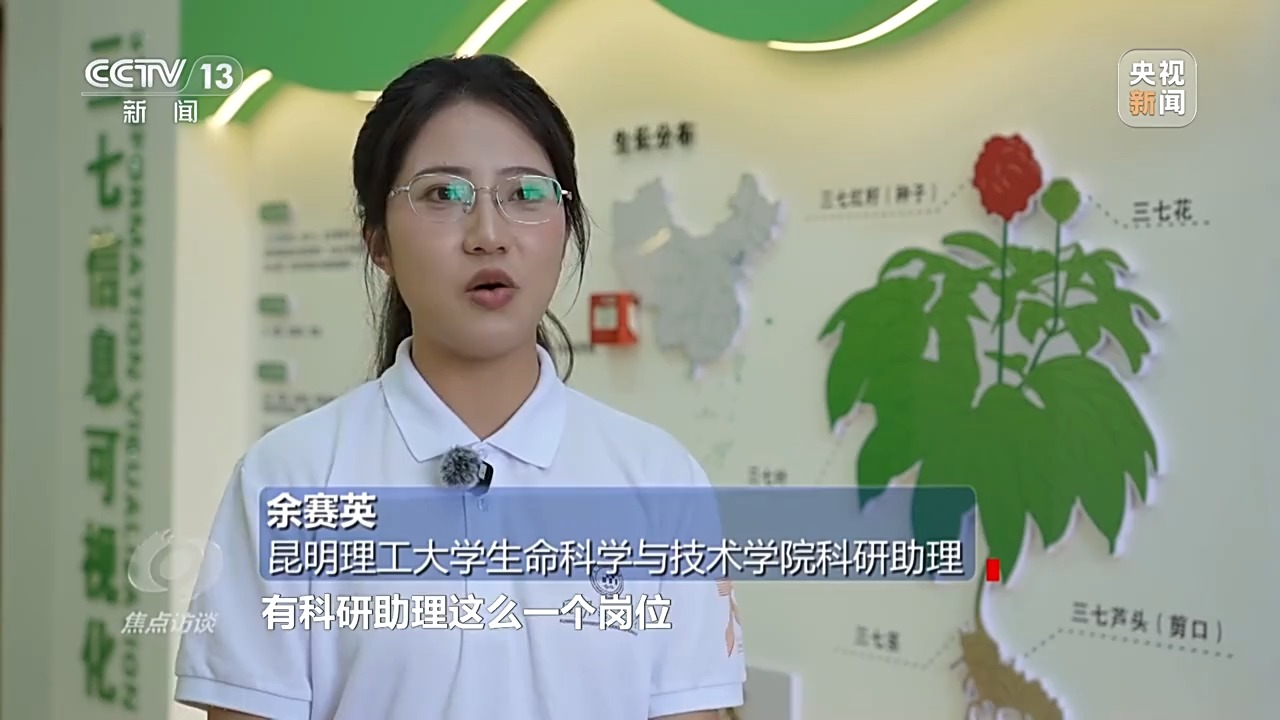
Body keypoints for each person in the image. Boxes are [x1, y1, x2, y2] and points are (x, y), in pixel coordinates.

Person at [174, 54, 745, 720]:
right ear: (378, 242)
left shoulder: (658, 480)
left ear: (566, 226)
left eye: (525, 194)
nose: (489, 235)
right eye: (443, 195)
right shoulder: (289, 478)